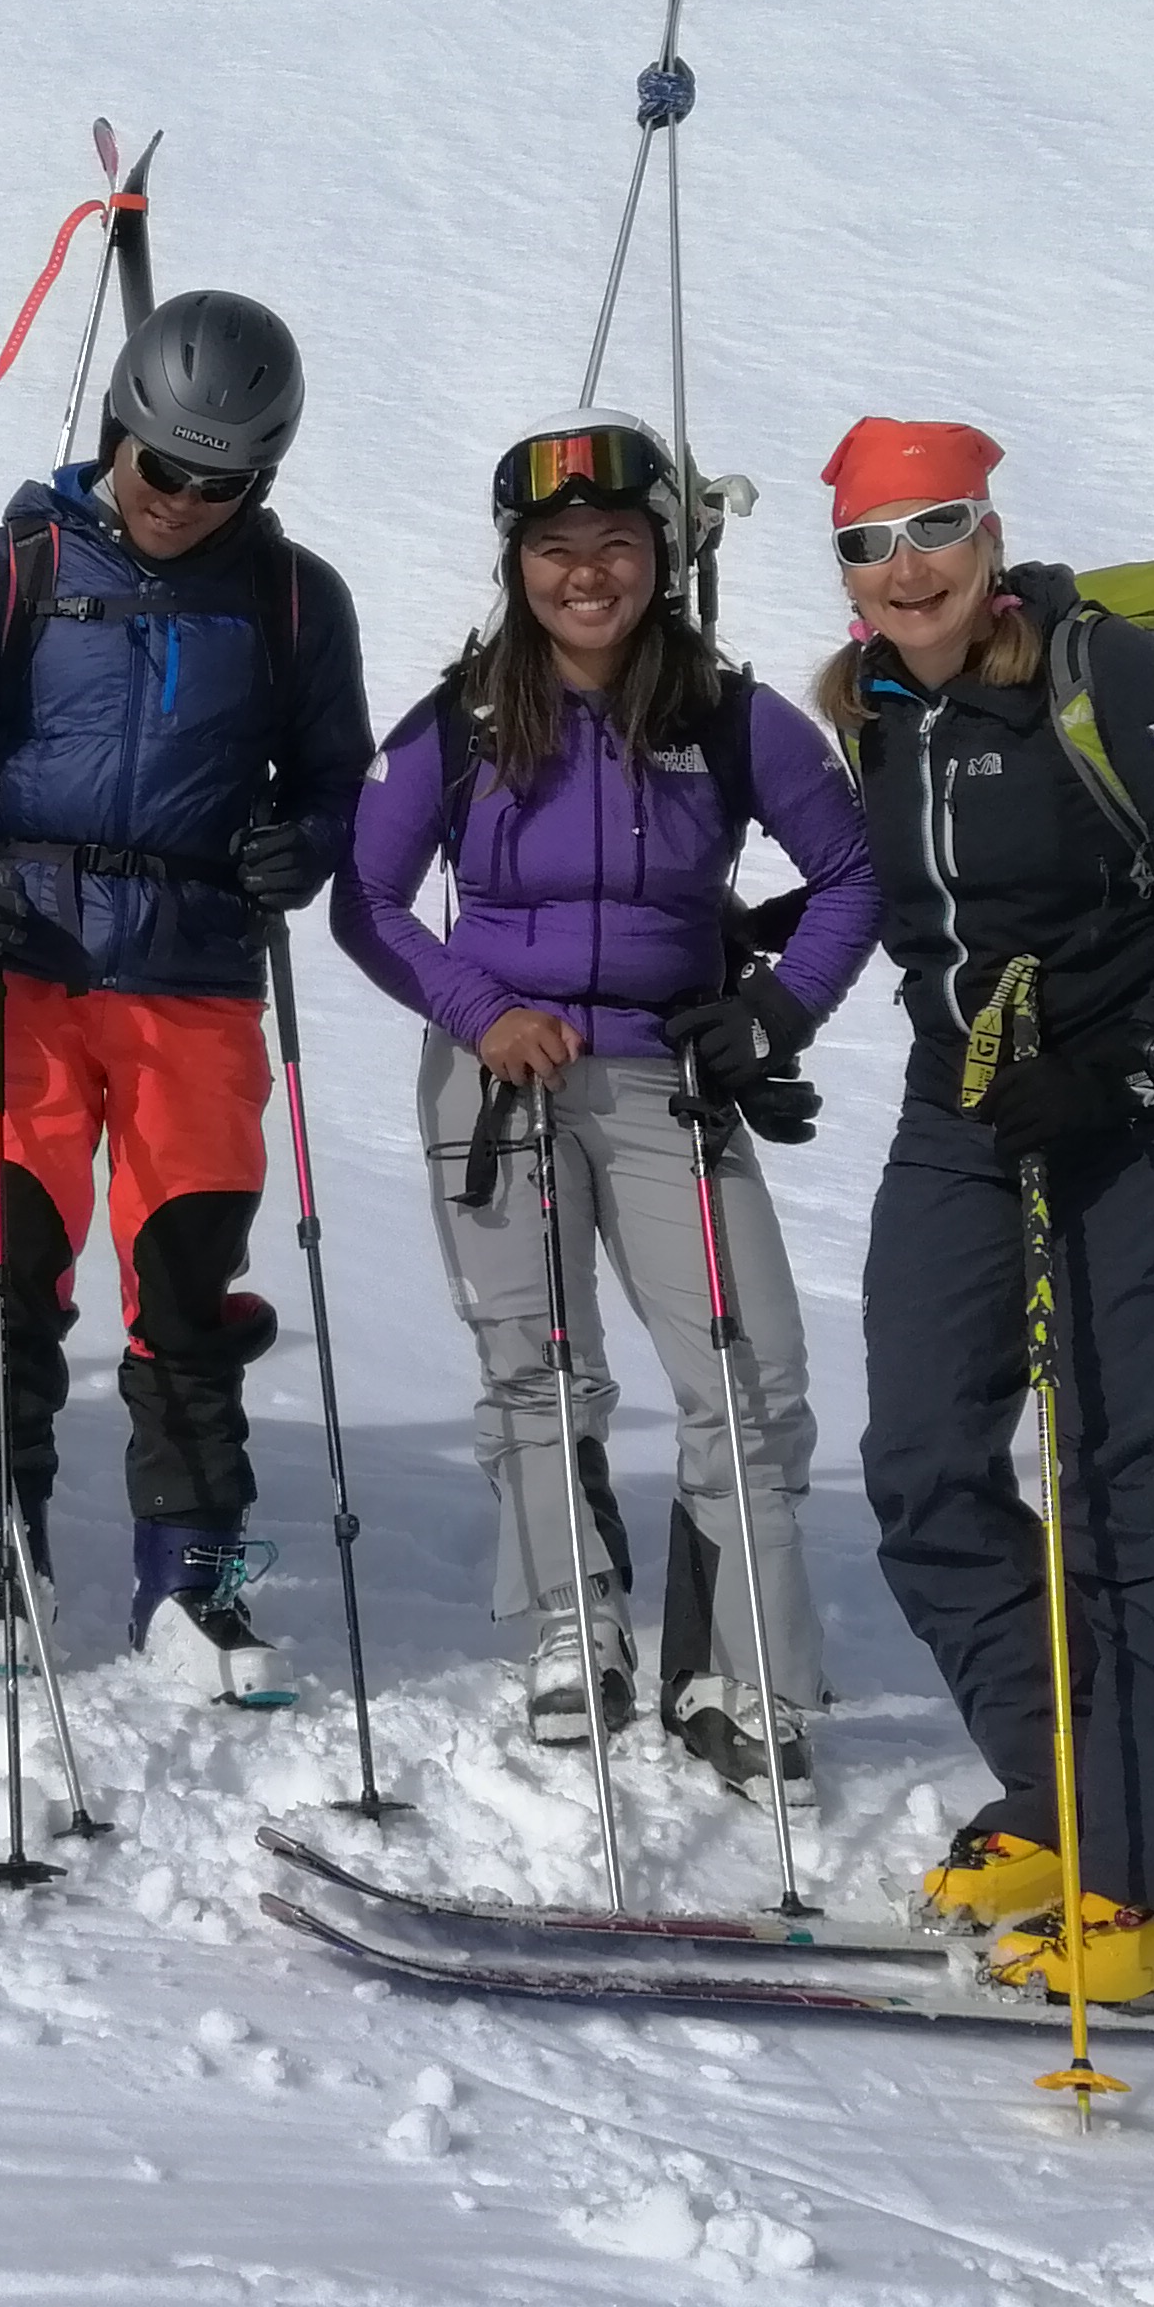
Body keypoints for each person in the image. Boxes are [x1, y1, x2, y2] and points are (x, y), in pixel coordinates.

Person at [333, 419, 881, 1793]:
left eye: (617, 544)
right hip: (497, 1080)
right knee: (535, 1363)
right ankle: (574, 1622)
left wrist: (776, 1011)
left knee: (749, 1375)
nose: (587, 574)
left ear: (664, 555)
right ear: (516, 564)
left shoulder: (730, 715)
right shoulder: (463, 719)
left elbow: (854, 874)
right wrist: (481, 1011)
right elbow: (366, 899)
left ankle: (744, 1668)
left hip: (664, 1078)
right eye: (556, 548)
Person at [818, 415, 1154, 2003]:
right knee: (921, 1462)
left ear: (991, 536)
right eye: (868, 543)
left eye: (933, 526)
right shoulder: (877, 707)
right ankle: (1072, 1795)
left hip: (1145, 1118)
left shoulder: (1103, 676)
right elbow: (918, 907)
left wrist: (1129, 1067)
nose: (905, 568)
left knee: (1118, 1487)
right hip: (966, 1113)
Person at [0, 291, 373, 1702]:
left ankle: (189, 1575)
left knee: (186, 1287)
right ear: (118, 430)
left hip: (195, 985)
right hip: (23, 977)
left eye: (226, 485)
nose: (182, 503)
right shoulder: (11, 571)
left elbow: (337, 782)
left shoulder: (295, 598)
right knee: (2, 1275)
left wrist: (304, 844)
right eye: (164, 468)